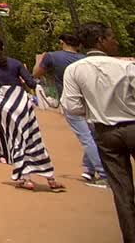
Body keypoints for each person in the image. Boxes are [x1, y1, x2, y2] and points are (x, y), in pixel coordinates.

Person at [62, 21, 135, 240]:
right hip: (132, 124)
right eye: (112, 37)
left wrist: (95, 108)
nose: (116, 41)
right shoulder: (126, 66)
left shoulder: (74, 70)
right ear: (101, 40)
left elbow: (72, 107)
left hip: (105, 133)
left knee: (122, 192)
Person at [0, 34, 63, 192]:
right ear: (2, 47)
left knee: (15, 140)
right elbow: (30, 82)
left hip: (1, 103)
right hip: (20, 101)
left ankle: (25, 177)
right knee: (34, 138)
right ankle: (49, 177)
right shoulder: (15, 63)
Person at [36, 31, 106, 186]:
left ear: (62, 42)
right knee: (93, 136)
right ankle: (89, 169)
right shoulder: (85, 59)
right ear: (79, 44)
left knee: (87, 138)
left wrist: (41, 59)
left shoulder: (52, 57)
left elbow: (36, 73)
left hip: (70, 101)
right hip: (91, 102)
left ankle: (102, 174)